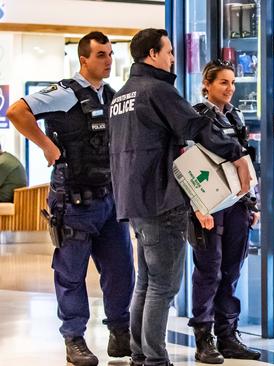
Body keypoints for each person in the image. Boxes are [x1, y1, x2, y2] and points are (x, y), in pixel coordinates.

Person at [108, 28, 251, 366]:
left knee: (145, 282)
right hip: (161, 199)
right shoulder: (158, 90)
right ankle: (156, 358)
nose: (173, 57)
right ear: (152, 54)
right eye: (169, 51)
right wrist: (237, 154)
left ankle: (141, 355)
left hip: (134, 201)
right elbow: (195, 127)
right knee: (163, 286)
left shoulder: (122, 95)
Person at [6, 31, 134, 366]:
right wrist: (46, 146)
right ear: (84, 59)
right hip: (74, 200)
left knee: (121, 269)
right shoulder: (64, 93)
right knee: (71, 272)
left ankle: (120, 335)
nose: (108, 61)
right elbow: (17, 112)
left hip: (110, 198)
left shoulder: (110, 95)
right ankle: (74, 339)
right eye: (101, 55)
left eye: (109, 54)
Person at [187, 59, 261, 363]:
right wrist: (198, 207)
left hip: (237, 205)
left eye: (233, 82)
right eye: (223, 83)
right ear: (207, 84)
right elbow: (189, 166)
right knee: (209, 271)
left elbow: (246, 161)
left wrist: (252, 203)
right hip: (210, 207)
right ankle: (204, 338)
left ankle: (228, 335)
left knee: (231, 271)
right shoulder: (196, 117)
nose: (230, 88)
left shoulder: (236, 115)